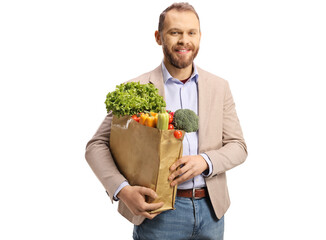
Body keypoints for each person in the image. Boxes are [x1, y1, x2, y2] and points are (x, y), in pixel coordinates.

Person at [85, 2, 247, 239]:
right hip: (158, 213)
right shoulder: (138, 89)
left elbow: (238, 146)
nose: (184, 40)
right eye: (175, 32)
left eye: (191, 32)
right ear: (159, 37)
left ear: (200, 36)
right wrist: (122, 190)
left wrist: (205, 161)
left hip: (212, 211)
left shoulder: (219, 87)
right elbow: (96, 146)